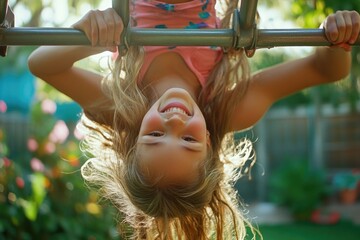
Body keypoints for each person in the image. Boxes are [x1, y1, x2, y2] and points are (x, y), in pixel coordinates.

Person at [27, 0, 360, 239]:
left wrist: (91, 34)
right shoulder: (228, 107)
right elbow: (325, 69)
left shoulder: (121, 106)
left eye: (155, 135)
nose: (174, 121)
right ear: (209, 143)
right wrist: (336, 39)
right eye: (189, 140)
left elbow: (41, 64)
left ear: (132, 142)